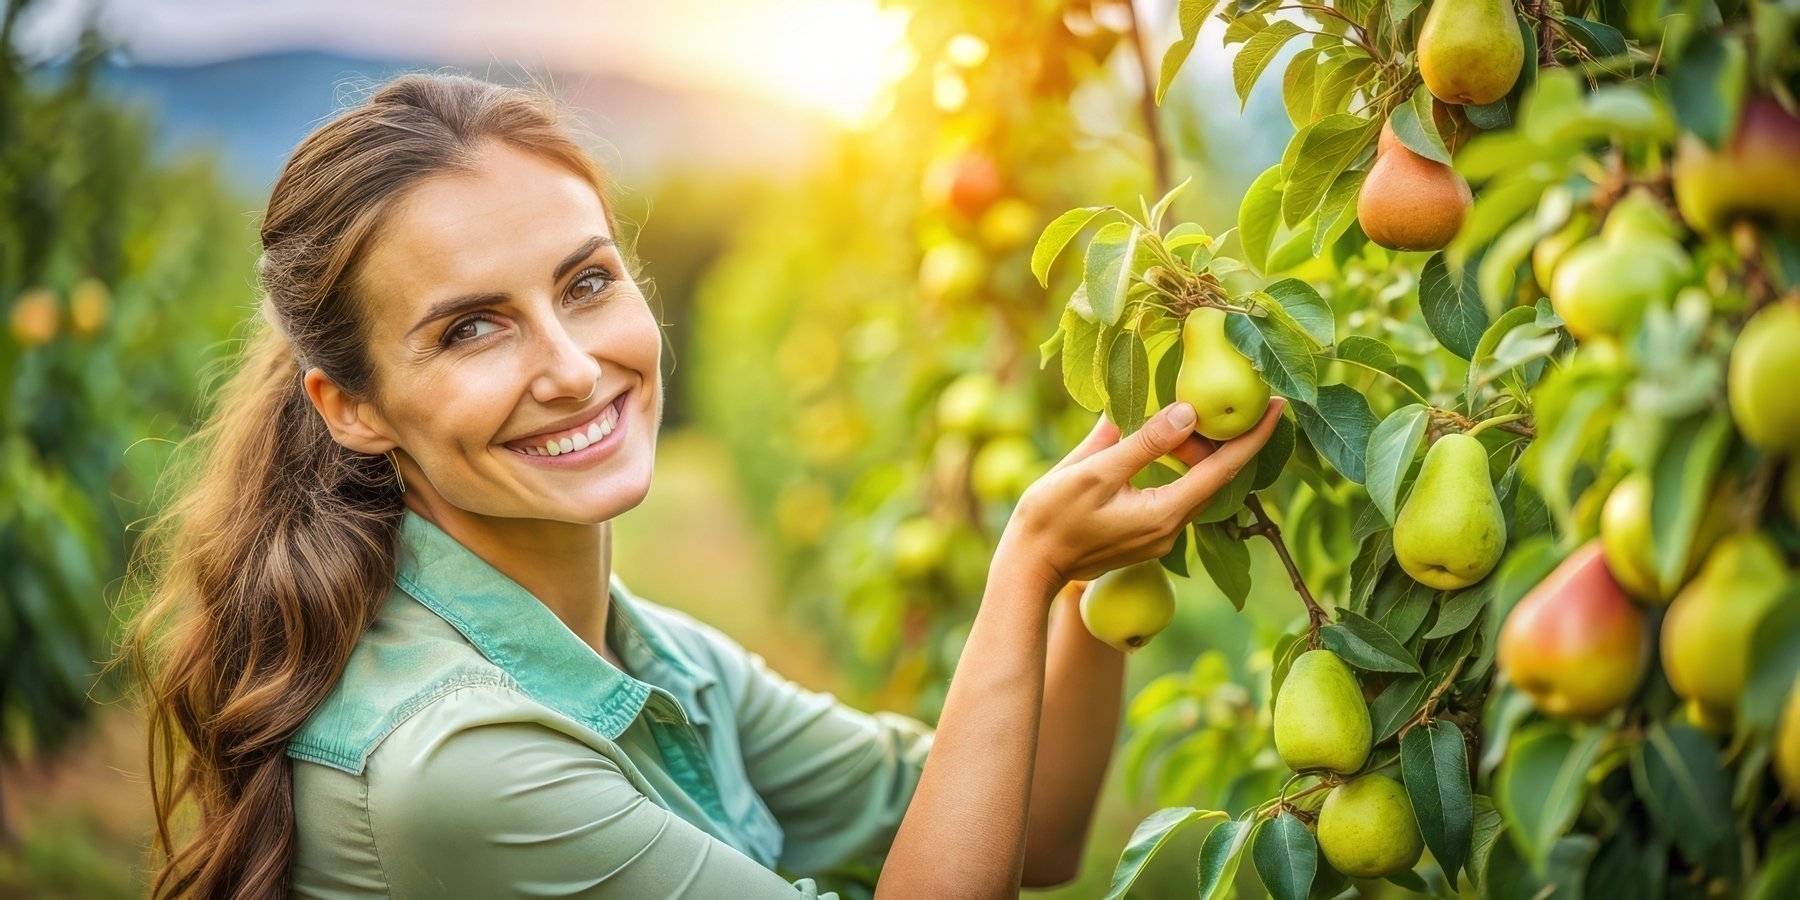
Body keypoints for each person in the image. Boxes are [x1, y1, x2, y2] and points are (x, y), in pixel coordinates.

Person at [118, 72, 1284, 899]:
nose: (573, 371)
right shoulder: (461, 767)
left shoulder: (642, 656)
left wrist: (1092, 564)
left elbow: (1023, 833)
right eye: (472, 328)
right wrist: (1024, 564)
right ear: (354, 408)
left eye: (585, 284)